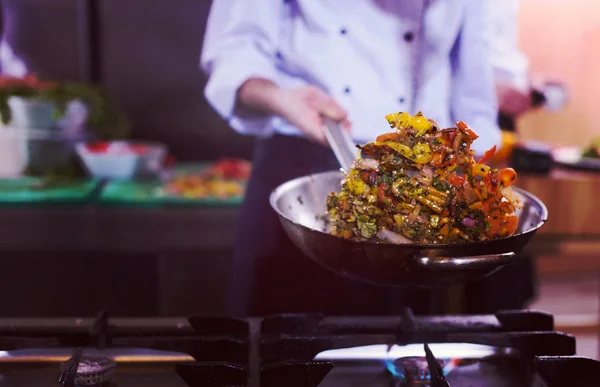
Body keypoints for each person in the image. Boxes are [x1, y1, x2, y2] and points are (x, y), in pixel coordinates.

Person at [200, 0, 503, 317]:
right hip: (307, 166)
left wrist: (473, 188)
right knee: (284, 342)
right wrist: (281, 98)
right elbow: (235, 48)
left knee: (414, 348)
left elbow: (474, 87)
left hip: (431, 177)